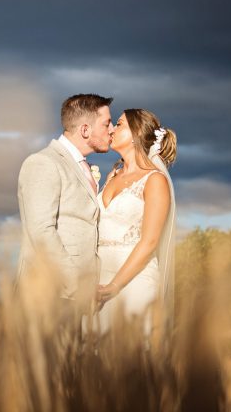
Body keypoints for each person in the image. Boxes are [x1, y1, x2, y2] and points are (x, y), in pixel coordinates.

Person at [16, 94, 114, 310]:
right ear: (85, 130)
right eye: (107, 124)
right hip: (49, 294)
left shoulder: (81, 165)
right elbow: (41, 231)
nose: (112, 129)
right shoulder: (43, 163)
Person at [94, 108, 177, 334]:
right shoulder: (111, 176)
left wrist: (114, 286)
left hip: (133, 282)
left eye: (118, 124)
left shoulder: (154, 181)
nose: (111, 129)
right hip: (100, 281)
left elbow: (150, 242)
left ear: (135, 133)